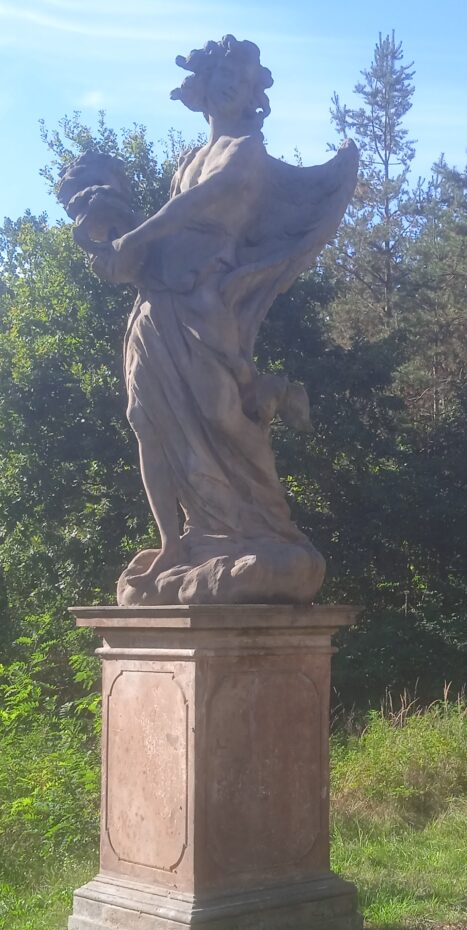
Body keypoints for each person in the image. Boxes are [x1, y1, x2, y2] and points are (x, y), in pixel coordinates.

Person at [68, 35, 358, 605]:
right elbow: (164, 229)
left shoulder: (245, 151)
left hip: (207, 301)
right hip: (155, 304)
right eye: (224, 74)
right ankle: (174, 543)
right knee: (147, 420)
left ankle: (263, 526)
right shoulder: (187, 159)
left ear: (253, 96)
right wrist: (115, 244)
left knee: (224, 416)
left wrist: (134, 237)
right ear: (203, 84)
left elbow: (193, 208)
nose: (231, 85)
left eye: (242, 80)